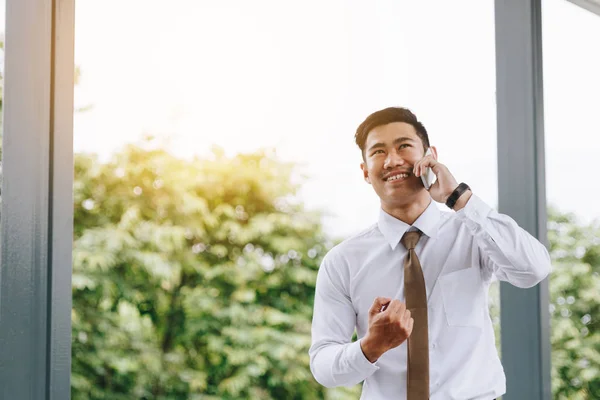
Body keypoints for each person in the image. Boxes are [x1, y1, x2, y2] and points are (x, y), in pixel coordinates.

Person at [308, 107, 551, 399]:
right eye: (378, 152)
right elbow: (322, 365)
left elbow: (533, 269)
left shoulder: (472, 232)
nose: (393, 160)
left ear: (430, 155)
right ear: (365, 171)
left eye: (404, 146)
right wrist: (371, 345)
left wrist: (459, 197)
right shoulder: (342, 261)